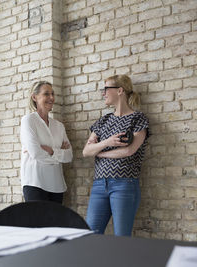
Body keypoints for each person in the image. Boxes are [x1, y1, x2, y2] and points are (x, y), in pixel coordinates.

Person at [82, 74, 149, 236]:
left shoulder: (138, 119)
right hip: (99, 185)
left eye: (106, 89)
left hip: (124, 184)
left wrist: (101, 153)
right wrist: (107, 142)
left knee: (121, 238)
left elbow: (129, 151)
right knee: (90, 235)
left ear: (120, 90)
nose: (103, 93)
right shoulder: (103, 121)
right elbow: (86, 151)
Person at [20, 81, 73, 204]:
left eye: (52, 94)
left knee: (54, 223)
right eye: (46, 94)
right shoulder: (28, 121)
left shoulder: (59, 126)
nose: (51, 98)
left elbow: (69, 156)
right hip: (35, 183)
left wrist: (51, 151)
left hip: (57, 185)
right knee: (38, 223)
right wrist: (59, 156)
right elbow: (36, 153)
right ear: (35, 97)